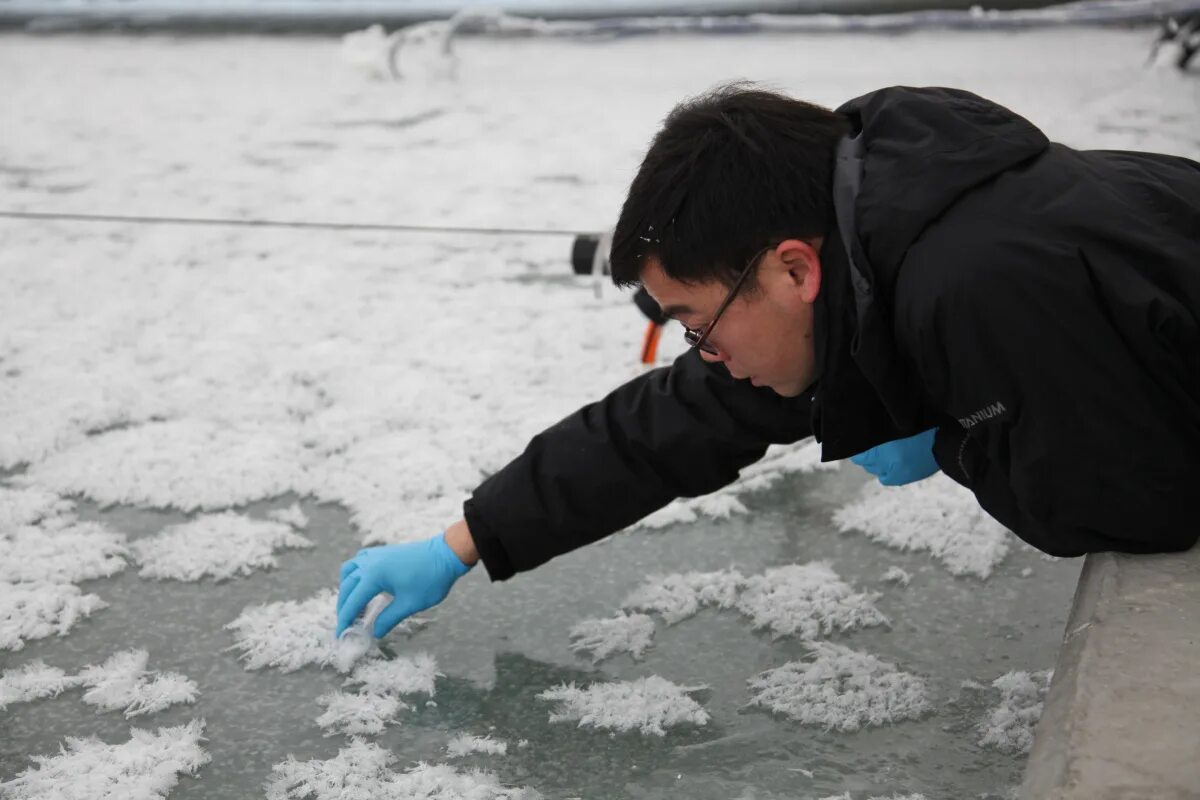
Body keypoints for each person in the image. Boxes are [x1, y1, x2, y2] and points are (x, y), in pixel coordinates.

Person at [336, 84, 1200, 639]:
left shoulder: (977, 281)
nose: (702, 354)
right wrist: (461, 542)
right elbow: (673, 423)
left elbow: (1137, 506)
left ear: (792, 268)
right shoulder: (868, 246)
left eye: (695, 322)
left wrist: (945, 434)